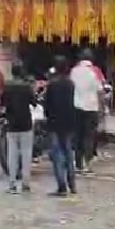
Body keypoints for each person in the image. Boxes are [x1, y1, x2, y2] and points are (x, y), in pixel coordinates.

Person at [43, 56, 77, 196]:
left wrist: (48, 117)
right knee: (68, 153)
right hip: (68, 122)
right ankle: (72, 185)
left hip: (54, 123)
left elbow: (47, 105)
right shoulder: (71, 84)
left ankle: (62, 187)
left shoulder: (52, 85)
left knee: (57, 155)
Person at [1, 62, 35, 193]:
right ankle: (26, 183)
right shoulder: (27, 86)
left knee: (12, 154)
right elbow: (33, 102)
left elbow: (2, 102)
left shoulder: (7, 86)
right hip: (26, 123)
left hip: (12, 124)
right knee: (26, 153)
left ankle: (12, 183)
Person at [70, 49, 103, 173]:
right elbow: (100, 91)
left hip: (76, 107)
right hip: (91, 108)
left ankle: (78, 164)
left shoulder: (74, 71)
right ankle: (87, 164)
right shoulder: (95, 71)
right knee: (89, 136)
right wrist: (101, 110)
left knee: (77, 135)